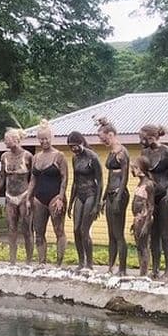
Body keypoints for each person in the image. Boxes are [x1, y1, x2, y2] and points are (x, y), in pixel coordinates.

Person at [28, 120, 68, 266]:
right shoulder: (36, 157)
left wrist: (61, 198)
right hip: (39, 198)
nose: (44, 141)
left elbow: (64, 178)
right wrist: (28, 198)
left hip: (55, 196)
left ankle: (59, 263)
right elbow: (33, 179)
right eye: (41, 139)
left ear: (51, 138)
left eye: (46, 138)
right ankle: (42, 262)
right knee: (39, 232)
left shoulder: (59, 156)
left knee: (59, 230)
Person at [139, 124, 168, 279]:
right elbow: (144, 173)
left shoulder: (167, 152)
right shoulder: (145, 152)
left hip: (165, 195)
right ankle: (155, 268)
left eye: (142, 137)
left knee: (166, 233)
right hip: (151, 196)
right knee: (153, 233)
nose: (140, 140)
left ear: (151, 137)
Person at [0, 128, 34, 265]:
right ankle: (12, 260)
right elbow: (2, 176)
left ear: (15, 140)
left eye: (7, 139)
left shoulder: (27, 156)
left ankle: (28, 261)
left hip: (24, 194)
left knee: (26, 227)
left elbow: (33, 177)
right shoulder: (4, 157)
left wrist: (30, 196)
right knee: (11, 228)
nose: (5, 141)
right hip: (10, 195)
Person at [97, 117, 129, 275]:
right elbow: (110, 176)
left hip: (119, 194)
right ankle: (111, 266)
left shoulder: (123, 152)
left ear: (111, 134)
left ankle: (122, 269)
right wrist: (104, 198)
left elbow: (124, 177)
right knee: (111, 233)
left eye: (104, 139)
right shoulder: (111, 152)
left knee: (118, 233)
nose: (103, 142)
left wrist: (118, 197)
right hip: (109, 193)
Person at [66, 131, 102, 270]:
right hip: (79, 194)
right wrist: (70, 202)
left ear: (82, 143)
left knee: (84, 230)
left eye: (75, 146)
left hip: (91, 193)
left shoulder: (92, 157)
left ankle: (90, 264)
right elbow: (75, 181)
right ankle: (81, 261)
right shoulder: (75, 158)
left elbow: (100, 181)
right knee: (75, 230)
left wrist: (97, 203)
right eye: (71, 146)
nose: (73, 149)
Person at [131, 156, 155, 277]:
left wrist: (146, 224)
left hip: (144, 218)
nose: (134, 170)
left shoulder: (148, 184)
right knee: (139, 246)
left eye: (135, 167)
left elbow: (151, 206)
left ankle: (144, 273)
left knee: (144, 245)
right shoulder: (140, 183)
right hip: (137, 218)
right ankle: (142, 270)